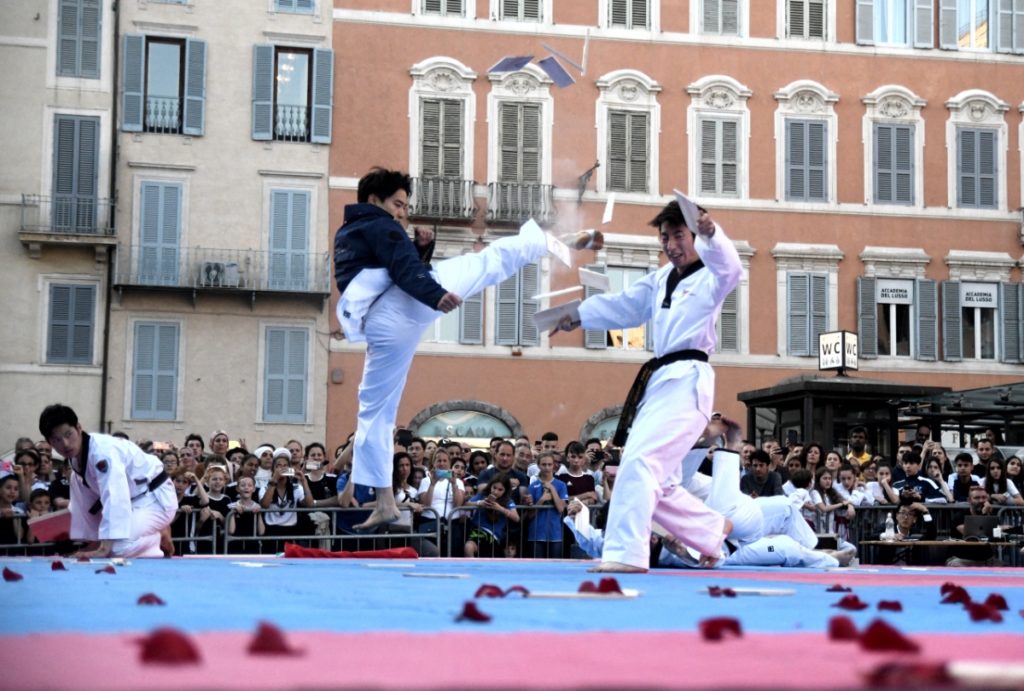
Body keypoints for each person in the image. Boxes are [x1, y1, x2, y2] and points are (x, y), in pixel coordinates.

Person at [335, 168, 572, 531]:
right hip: (400, 309)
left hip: (380, 324)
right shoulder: (381, 225)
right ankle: (536, 241)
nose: (402, 213)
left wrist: (420, 249)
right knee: (481, 265)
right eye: (398, 204)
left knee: (375, 412)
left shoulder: (352, 231)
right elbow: (402, 268)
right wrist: (434, 294)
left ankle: (384, 500)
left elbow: (388, 268)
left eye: (405, 206)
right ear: (374, 202)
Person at [551, 198, 741, 572]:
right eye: (665, 237)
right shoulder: (659, 280)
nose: (671, 244)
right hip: (660, 381)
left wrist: (712, 234)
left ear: (695, 235)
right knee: (656, 477)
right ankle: (712, 530)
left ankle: (627, 555)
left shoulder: (713, 274)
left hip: (688, 379)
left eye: (679, 235)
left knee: (641, 463)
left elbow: (731, 267)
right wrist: (577, 315)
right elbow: (624, 305)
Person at [38, 404, 176, 558]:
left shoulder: (102, 453)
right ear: (49, 442)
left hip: (155, 500)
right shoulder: (77, 458)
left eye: (68, 434)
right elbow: (88, 503)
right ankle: (129, 536)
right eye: (56, 440)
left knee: (117, 549)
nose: (65, 444)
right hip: (135, 502)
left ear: (78, 428)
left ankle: (155, 538)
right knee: (78, 487)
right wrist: (95, 542)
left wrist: (104, 548)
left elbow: (115, 497)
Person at [527, 452, 569, 558]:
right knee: (536, 568)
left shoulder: (561, 485)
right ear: (538, 465)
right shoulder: (533, 486)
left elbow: (560, 508)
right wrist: (541, 500)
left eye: (549, 464)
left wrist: (552, 489)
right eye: (543, 464)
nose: (547, 467)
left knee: (555, 568)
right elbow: (530, 515)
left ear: (554, 465)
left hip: (555, 533)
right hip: (536, 533)